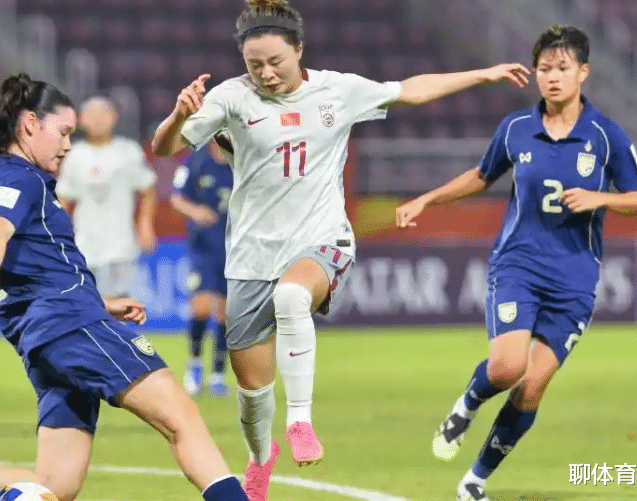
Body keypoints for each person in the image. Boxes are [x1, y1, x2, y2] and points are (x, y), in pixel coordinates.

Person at [151, 0, 529, 498]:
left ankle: (301, 422)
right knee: (252, 391)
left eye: (275, 62)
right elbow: (164, 147)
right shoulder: (231, 97)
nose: (266, 73)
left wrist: (482, 74)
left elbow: (411, 90)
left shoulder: (337, 90)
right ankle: (261, 458)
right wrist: (179, 115)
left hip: (322, 238)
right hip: (250, 255)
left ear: (299, 50)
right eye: (254, 64)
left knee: (292, 297)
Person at [0, 74, 248, 501]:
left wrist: (103, 304)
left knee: (54, 485)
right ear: (31, 124)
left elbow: (40, 268)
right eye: (63, 132)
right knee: (180, 414)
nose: (67, 145)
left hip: (53, 332)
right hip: (69, 326)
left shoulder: (21, 180)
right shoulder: (21, 180)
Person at [396, 26, 637, 501]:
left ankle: (475, 480)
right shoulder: (516, 128)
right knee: (508, 367)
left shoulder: (605, 135)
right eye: (544, 69)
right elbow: (481, 175)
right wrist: (427, 199)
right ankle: (467, 404)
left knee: (532, 387)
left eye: (563, 68)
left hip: (575, 278)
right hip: (519, 266)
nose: (552, 77)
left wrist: (600, 197)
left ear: (583, 72)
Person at [55, 96, 157, 299]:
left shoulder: (128, 151)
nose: (98, 120)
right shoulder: (74, 155)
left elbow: (148, 189)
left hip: (120, 243)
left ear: (114, 117)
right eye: (92, 115)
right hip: (84, 243)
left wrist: (145, 223)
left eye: (103, 114)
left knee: (119, 301)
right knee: (86, 301)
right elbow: (63, 199)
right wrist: (58, 234)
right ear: (80, 120)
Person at [171, 138, 233, 397]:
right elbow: (177, 198)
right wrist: (195, 211)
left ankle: (218, 373)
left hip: (233, 248)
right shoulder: (196, 162)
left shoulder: (240, 162)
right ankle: (194, 364)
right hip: (203, 247)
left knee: (225, 314)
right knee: (202, 305)